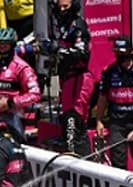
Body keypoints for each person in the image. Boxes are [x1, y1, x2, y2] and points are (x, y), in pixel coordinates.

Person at [95, 36, 133, 173]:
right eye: (117, 53)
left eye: (123, 53)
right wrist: (99, 120)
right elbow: (103, 97)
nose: (120, 56)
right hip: (118, 122)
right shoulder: (109, 71)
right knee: (118, 160)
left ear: (132, 52)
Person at [45, 0, 93, 156]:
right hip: (66, 78)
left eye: (65, 6)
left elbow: (83, 53)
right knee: (66, 118)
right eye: (60, 7)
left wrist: (59, 50)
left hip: (80, 78)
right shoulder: (57, 25)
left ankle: (84, 158)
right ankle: (69, 150)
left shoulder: (78, 25)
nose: (62, 10)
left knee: (76, 120)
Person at [0, 27, 41, 139]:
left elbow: (35, 95)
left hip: (16, 118)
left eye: (5, 44)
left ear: (12, 45)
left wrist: (10, 102)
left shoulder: (22, 67)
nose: (2, 47)